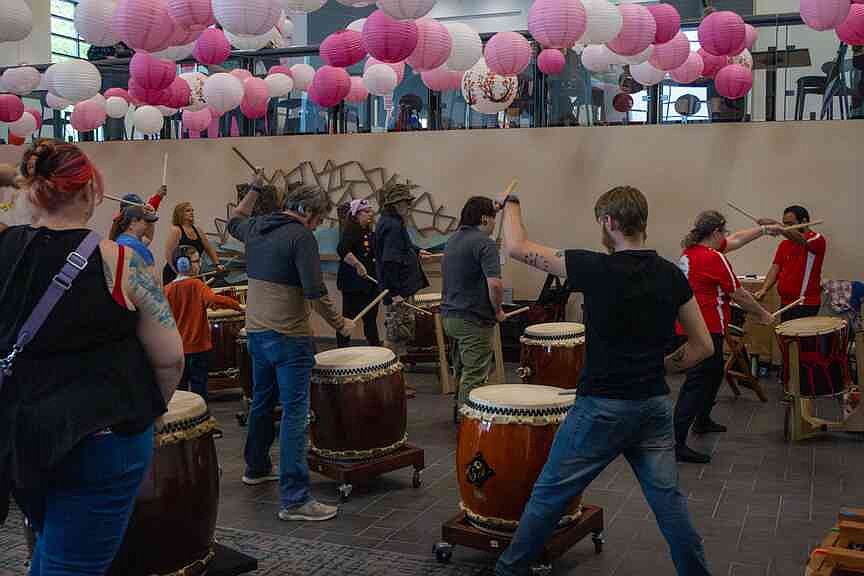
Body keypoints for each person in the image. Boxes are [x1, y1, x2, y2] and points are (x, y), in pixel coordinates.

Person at [493, 185, 715, 576]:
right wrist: (661, 366)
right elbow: (702, 347)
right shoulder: (670, 274)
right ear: (642, 222)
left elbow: (516, 246)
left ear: (609, 222)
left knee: (548, 497)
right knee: (669, 504)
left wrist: (509, 204)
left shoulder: (594, 267)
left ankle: (508, 571)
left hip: (601, 409)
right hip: (653, 407)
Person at [0, 139, 184, 575]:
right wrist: (150, 412)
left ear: (33, 189)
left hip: (20, 434)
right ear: (90, 193)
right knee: (72, 563)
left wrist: (13, 176)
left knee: (51, 544)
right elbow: (170, 358)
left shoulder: (4, 246)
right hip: (103, 438)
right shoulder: (120, 262)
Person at [228, 171, 354, 522]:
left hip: (256, 334)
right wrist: (341, 324)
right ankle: (296, 499)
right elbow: (315, 293)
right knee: (296, 415)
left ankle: (255, 467)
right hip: (289, 339)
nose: (316, 226)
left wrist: (254, 189)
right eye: (319, 219)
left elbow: (234, 219)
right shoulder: (300, 236)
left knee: (262, 403)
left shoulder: (256, 228)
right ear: (310, 213)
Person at [673, 211, 781, 464]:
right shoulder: (713, 258)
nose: (726, 236)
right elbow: (740, 295)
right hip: (703, 330)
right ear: (714, 233)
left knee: (713, 375)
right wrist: (764, 315)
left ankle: (702, 420)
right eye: (723, 231)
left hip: (694, 327)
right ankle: (676, 443)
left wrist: (765, 230)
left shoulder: (692, 251)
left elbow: (738, 239)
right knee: (696, 384)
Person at [440, 196, 504, 412]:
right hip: (473, 319)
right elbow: (494, 285)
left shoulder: (453, 239)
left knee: (461, 369)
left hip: (450, 318)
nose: (495, 224)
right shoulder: (485, 243)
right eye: (493, 219)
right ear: (485, 219)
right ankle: (469, 424)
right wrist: (498, 310)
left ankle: (459, 413)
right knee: (475, 374)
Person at [164, 246, 244, 403]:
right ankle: (202, 423)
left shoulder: (166, 289)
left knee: (180, 392)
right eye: (195, 261)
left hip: (177, 349)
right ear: (184, 264)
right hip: (198, 347)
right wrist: (237, 306)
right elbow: (213, 300)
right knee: (199, 389)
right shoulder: (196, 285)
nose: (199, 264)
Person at [374, 182, 430, 358]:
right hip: (398, 291)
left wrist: (416, 250)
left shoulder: (390, 222)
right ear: (396, 204)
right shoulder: (393, 226)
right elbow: (390, 261)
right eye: (406, 203)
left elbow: (402, 245)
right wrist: (395, 293)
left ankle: (398, 379)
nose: (409, 206)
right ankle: (389, 379)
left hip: (398, 289)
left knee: (400, 333)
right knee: (395, 334)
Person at [755, 205, 827, 322]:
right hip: (786, 303)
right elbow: (775, 268)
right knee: (786, 338)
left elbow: (800, 239)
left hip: (804, 303)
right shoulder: (784, 244)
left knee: (802, 339)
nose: (786, 228)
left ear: (803, 222)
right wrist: (764, 289)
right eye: (784, 224)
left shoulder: (816, 239)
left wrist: (776, 225)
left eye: (790, 224)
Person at [336, 199, 381, 348]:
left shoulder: (369, 232)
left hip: (370, 285)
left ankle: (376, 353)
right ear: (356, 215)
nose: (370, 214)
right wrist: (357, 264)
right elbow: (342, 249)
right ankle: (342, 351)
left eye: (370, 211)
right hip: (353, 286)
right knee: (348, 320)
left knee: (370, 321)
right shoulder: (351, 231)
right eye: (366, 212)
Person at [163, 201, 223, 285]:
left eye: (192, 210)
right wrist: (179, 274)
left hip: (193, 273)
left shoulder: (198, 230)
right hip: (175, 274)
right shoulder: (176, 230)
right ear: (180, 214)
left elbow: (209, 248)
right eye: (188, 211)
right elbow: (168, 255)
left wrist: (217, 264)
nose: (191, 213)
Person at [108, 194, 160, 276]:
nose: (147, 226)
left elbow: (148, 238)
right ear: (133, 222)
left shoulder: (119, 239)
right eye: (145, 221)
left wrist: (157, 198)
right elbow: (152, 280)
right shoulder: (136, 247)